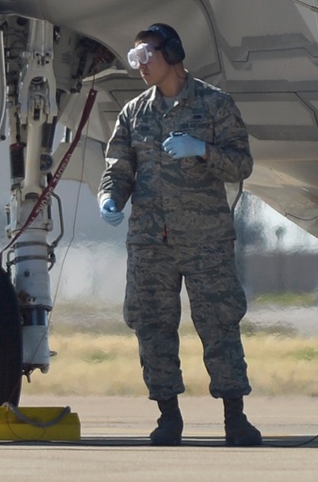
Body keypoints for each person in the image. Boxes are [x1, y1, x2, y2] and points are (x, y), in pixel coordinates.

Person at [98, 24, 261, 447]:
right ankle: (168, 416)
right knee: (151, 325)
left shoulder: (214, 105)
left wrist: (203, 150)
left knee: (219, 323)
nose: (140, 66)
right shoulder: (134, 113)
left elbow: (241, 164)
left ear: (171, 53)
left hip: (205, 239)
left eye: (146, 56)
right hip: (151, 242)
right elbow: (118, 168)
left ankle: (235, 417)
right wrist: (111, 199)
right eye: (134, 59)